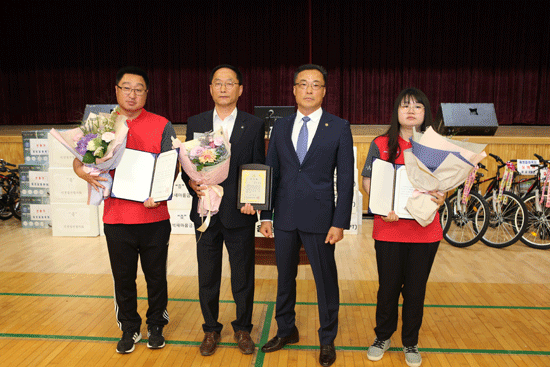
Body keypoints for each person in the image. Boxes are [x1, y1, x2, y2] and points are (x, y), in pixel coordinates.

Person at [73, 66, 176, 353]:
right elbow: (79, 159)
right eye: (126, 88)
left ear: (146, 93)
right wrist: (82, 173)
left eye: (138, 89)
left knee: (156, 277)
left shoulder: (162, 124)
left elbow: (171, 166)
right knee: (123, 278)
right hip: (116, 216)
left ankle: (156, 325)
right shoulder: (100, 125)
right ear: (116, 90)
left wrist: (160, 193)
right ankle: (130, 328)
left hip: (154, 215)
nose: (132, 94)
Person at [259, 64, 354, 367]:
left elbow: (346, 180)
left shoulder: (338, 127)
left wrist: (340, 222)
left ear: (324, 91)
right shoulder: (281, 126)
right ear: (294, 90)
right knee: (284, 279)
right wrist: (265, 215)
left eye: (316, 85)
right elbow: (270, 172)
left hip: (321, 219)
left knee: (325, 280)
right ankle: (286, 330)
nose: (309, 90)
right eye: (303, 84)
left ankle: (327, 338)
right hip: (284, 216)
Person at [181, 64, 265, 356]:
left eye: (230, 83)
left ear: (240, 89)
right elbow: (187, 165)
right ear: (211, 89)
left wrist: (252, 200)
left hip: (238, 212)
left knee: (243, 275)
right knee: (207, 275)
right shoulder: (196, 121)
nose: (224, 88)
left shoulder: (253, 125)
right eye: (218, 83)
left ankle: (243, 328)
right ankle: (210, 329)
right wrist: (192, 182)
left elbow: (257, 167)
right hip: (205, 211)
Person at [361, 88, 445, 367]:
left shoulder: (435, 145)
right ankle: (382, 336)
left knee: (415, 290)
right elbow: (368, 180)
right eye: (405, 105)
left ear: (426, 113)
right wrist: (382, 207)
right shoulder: (381, 143)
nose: (411, 110)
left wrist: (442, 195)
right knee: (387, 288)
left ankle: (410, 341)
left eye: (418, 106)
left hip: (424, 231)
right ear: (396, 111)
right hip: (389, 228)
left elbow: (441, 185)